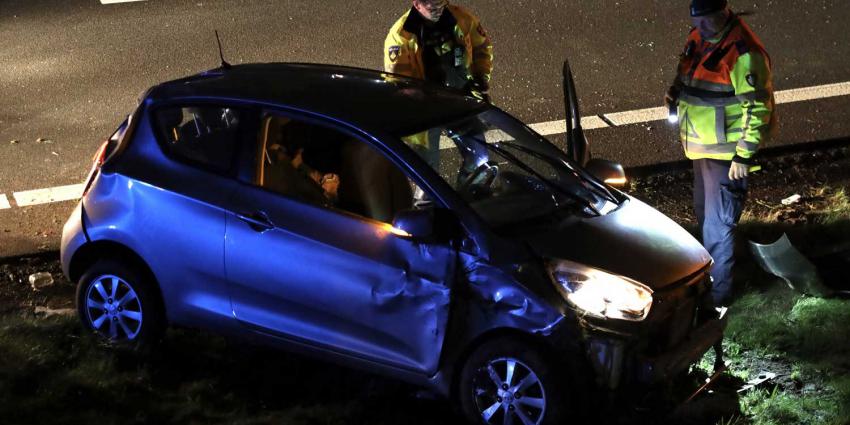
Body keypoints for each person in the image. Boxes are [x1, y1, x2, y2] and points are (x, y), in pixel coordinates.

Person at [666, 0, 775, 306]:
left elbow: (757, 107)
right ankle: (708, 286)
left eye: (707, 22)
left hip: (726, 156)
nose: (700, 28)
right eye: (696, 21)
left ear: (724, 14)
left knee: (718, 227)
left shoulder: (744, 53)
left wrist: (743, 155)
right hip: (702, 147)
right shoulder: (699, 36)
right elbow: (688, 67)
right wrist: (676, 89)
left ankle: (717, 302)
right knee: (706, 217)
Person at [384, 0, 493, 167]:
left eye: (442, 4)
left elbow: (482, 47)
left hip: (459, 98)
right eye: (433, 7)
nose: (439, 10)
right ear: (417, 4)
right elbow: (398, 83)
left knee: (480, 160)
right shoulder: (400, 37)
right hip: (425, 113)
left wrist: (481, 77)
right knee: (428, 175)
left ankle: (470, 190)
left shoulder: (461, 18)